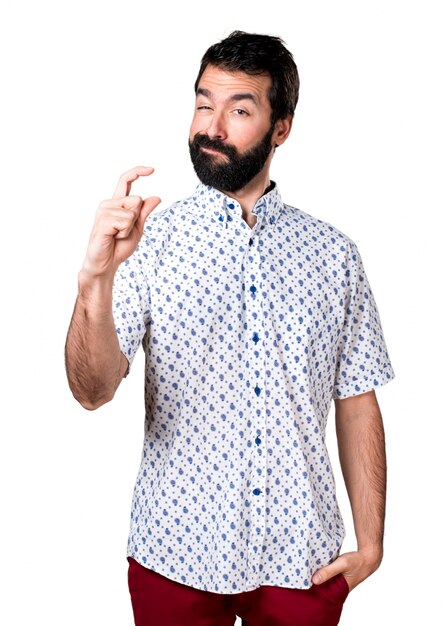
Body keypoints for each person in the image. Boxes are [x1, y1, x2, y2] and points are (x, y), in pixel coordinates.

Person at [65, 30, 395, 626]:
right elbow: (93, 390)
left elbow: (358, 402)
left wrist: (370, 542)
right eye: (202, 103)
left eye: (238, 109)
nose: (210, 126)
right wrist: (93, 279)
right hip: (175, 553)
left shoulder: (334, 255)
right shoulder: (147, 241)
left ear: (281, 128)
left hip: (302, 556)